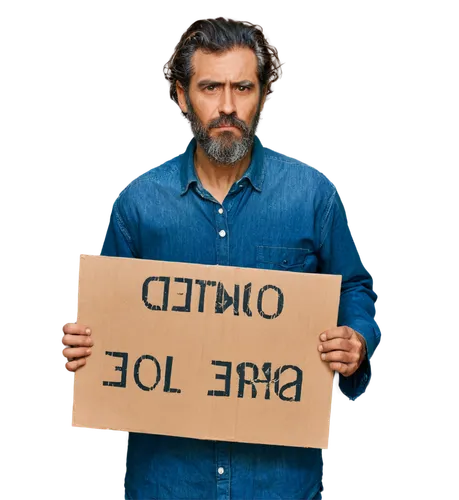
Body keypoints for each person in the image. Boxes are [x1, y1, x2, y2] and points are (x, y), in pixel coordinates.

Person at [60, 15, 383, 500]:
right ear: (182, 96)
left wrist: (357, 339)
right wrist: (81, 349)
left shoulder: (313, 196)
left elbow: (355, 287)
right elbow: (110, 330)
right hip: (167, 482)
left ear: (264, 95)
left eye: (243, 88)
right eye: (210, 87)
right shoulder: (138, 204)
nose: (227, 106)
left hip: (280, 483)